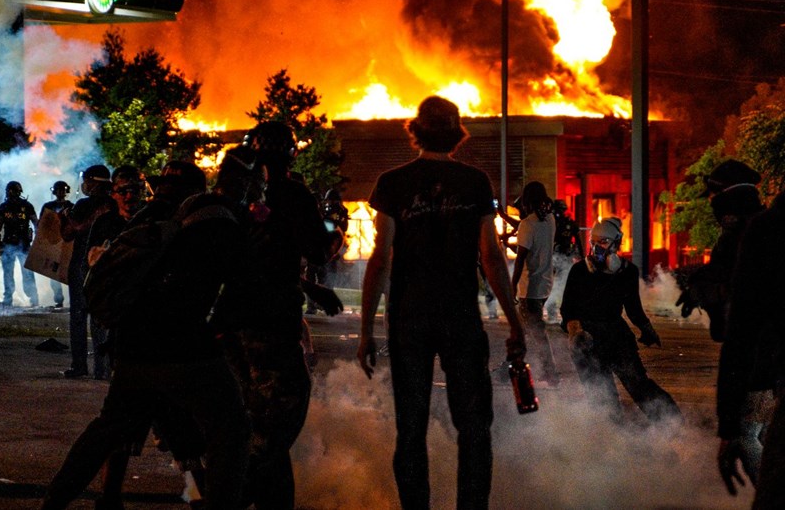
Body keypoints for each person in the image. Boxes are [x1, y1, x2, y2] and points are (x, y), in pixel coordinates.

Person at [41, 149, 258, 510]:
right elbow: (240, 284)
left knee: (112, 431)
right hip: (185, 348)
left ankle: (55, 502)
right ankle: (215, 503)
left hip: (134, 351)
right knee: (229, 430)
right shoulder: (208, 222)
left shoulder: (143, 222)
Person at [357, 96, 526, 510]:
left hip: (409, 320)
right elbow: (491, 257)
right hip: (460, 318)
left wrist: (366, 331)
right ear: (456, 133)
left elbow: (380, 258)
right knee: (473, 427)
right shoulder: (474, 182)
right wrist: (514, 321)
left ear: (416, 130)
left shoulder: (393, 183)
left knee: (410, 429)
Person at [214, 121, 343, 510]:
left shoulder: (232, 196)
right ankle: (229, 493)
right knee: (282, 413)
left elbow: (259, 259)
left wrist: (308, 286)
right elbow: (319, 250)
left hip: (232, 323)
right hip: (271, 325)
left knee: (255, 415)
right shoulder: (292, 193)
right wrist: (335, 228)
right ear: (290, 152)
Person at [560, 217, 680, 423]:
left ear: (616, 244)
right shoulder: (579, 271)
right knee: (601, 395)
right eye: (595, 241)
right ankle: (612, 438)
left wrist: (646, 328)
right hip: (586, 338)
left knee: (638, 384)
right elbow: (568, 308)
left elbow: (633, 308)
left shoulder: (628, 272)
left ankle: (672, 423)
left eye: (604, 242)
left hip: (616, 335)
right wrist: (576, 331)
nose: (598, 247)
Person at [716, 190, 785, 508]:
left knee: (749, 433)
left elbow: (742, 327)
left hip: (765, 367)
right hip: (769, 368)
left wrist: (728, 427)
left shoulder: (766, 232)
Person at [58, 165, 117, 379]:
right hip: (107, 263)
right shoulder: (114, 203)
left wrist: (65, 218)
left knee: (79, 316)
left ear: (92, 182)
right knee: (101, 315)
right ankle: (102, 369)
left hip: (82, 264)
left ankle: (79, 365)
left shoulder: (83, 204)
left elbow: (68, 234)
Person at [510, 181, 560, 386]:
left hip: (529, 287)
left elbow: (521, 258)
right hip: (545, 284)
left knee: (534, 331)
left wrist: (512, 286)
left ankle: (549, 373)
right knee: (533, 328)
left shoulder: (527, 224)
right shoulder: (549, 220)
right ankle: (544, 370)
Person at [0, 181, 39, 308]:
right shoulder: (25, 205)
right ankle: (32, 299)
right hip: (16, 244)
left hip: (17, 244)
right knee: (23, 273)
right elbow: (36, 224)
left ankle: (12, 299)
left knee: (13, 272)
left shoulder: (5, 206)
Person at [39, 180, 73, 308]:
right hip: (53, 242)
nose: (60, 193)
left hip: (67, 243)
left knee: (69, 272)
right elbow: (42, 224)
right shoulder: (48, 206)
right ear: (54, 191)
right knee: (53, 273)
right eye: (58, 190)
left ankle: (73, 298)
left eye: (62, 190)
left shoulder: (71, 205)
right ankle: (59, 299)